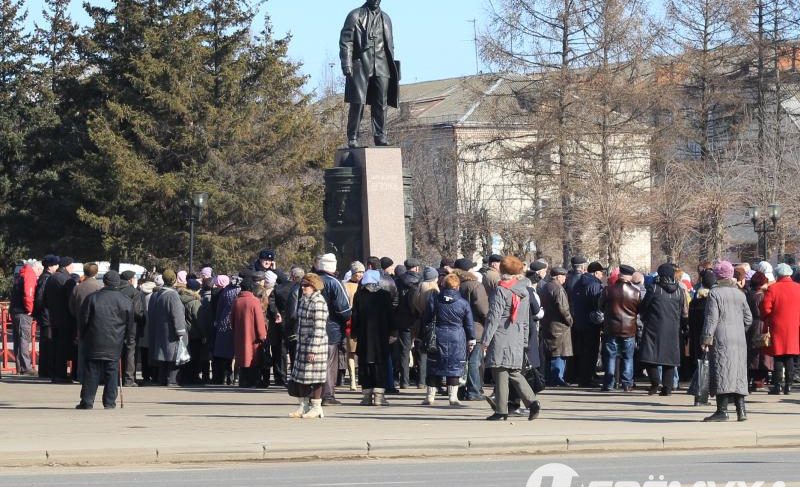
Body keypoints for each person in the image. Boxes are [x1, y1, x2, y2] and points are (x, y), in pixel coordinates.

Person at [482, 256, 540, 421]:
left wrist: (486, 340)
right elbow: (525, 319)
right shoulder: (524, 291)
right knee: (514, 372)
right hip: (517, 335)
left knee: (499, 370)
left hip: (501, 335)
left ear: (502, 271)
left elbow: (494, 317)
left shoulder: (501, 290)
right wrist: (524, 341)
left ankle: (501, 410)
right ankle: (532, 402)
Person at [339, 0, 400, 148]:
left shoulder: (386, 18)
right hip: (361, 64)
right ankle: (353, 137)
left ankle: (380, 136)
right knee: (357, 102)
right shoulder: (355, 15)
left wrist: (393, 67)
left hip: (382, 64)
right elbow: (346, 41)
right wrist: (346, 63)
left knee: (381, 102)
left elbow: (390, 45)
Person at [76, 271, 135, 410]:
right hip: (115, 341)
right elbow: (130, 324)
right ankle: (109, 402)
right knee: (112, 371)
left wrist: (82, 336)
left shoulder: (92, 298)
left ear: (105, 282)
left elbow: (83, 320)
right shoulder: (126, 301)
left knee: (92, 371)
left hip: (94, 340)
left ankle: (87, 401)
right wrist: (127, 340)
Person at [702, 261, 753, 422]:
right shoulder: (740, 293)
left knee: (722, 370)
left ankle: (722, 410)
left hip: (721, 338)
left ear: (717, 275)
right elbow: (748, 318)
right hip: (739, 339)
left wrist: (706, 338)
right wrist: (739, 329)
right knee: (738, 374)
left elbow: (711, 319)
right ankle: (741, 411)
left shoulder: (714, 293)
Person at [420, 273, 475, 407]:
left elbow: (426, 318)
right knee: (454, 366)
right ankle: (453, 398)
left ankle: (430, 397)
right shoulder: (463, 303)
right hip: (457, 336)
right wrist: (471, 339)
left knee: (434, 365)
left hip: (438, 335)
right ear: (457, 287)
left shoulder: (435, 299)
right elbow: (469, 324)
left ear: (443, 284)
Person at [639, 263, 688, 396]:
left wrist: (644, 316)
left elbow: (644, 306)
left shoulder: (654, 289)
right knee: (669, 359)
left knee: (649, 356)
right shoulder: (679, 290)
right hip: (673, 327)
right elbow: (682, 310)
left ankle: (655, 383)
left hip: (653, 326)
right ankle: (667, 387)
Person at [288, 274, 330, 419]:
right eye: (302, 285)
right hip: (302, 344)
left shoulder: (319, 302)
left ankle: (316, 407)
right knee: (301, 376)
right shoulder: (304, 300)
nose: (303, 287)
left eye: (306, 285)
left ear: (314, 286)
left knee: (316, 377)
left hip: (315, 345)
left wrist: (313, 349)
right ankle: (303, 405)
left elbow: (319, 327)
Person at [351, 270, 395, 406]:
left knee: (365, 364)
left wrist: (354, 333)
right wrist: (393, 332)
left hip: (364, 336)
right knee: (380, 364)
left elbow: (355, 316)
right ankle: (379, 396)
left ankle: (366, 396)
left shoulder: (359, 295)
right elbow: (390, 316)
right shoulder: (385, 295)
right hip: (381, 336)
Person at [315, 254, 352, 406]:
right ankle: (328, 395)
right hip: (332, 330)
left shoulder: (311, 281)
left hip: (313, 329)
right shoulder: (335, 283)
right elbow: (344, 309)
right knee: (330, 363)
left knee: (316, 363)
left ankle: (314, 394)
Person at [598, 264, 640, 392]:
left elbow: (600, 306)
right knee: (628, 357)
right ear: (630, 276)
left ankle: (609, 383)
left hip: (611, 328)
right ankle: (627, 384)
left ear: (620, 274)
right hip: (629, 328)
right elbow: (639, 310)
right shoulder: (635, 292)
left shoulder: (608, 290)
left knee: (610, 356)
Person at [452, 258, 490, 401]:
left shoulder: (452, 284)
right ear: (468, 270)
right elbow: (483, 309)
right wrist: (489, 323)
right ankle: (474, 390)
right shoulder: (475, 286)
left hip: (457, 327)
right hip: (475, 327)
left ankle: (460, 390)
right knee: (475, 360)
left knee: (461, 359)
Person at [761, 263, 800, 396]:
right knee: (789, 356)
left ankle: (777, 386)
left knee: (778, 356)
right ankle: (788, 386)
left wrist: (767, 318)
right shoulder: (798, 288)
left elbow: (766, 308)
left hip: (777, 326)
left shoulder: (773, 288)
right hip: (795, 325)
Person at [147, 269, 188, 387]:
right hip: (171, 331)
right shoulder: (172, 295)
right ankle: (172, 380)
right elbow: (177, 314)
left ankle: (162, 379)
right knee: (174, 355)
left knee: (163, 356)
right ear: (174, 280)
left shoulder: (157, 293)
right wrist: (180, 331)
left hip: (160, 329)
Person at [44, 256, 79, 383]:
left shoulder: (52, 278)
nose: (73, 268)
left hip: (54, 317)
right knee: (65, 348)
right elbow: (72, 300)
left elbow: (45, 300)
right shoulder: (67, 280)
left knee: (57, 347)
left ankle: (57, 373)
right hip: (67, 319)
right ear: (68, 266)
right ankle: (63, 375)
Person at [570, 261, 605, 388]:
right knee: (591, 352)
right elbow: (598, 304)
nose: (602, 276)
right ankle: (587, 378)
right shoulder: (594, 284)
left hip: (579, 321)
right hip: (591, 323)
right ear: (596, 272)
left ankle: (583, 377)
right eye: (601, 273)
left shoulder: (578, 283)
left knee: (582, 351)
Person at [70, 263, 104, 382]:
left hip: (80, 321)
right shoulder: (100, 287)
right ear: (96, 272)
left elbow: (71, 306)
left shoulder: (78, 287)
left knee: (82, 350)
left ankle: (81, 375)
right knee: (96, 351)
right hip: (97, 322)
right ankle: (95, 376)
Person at [540, 266, 574, 386]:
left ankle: (549, 379)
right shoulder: (558, 289)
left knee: (550, 353)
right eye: (564, 276)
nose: (565, 279)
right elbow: (563, 308)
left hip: (548, 324)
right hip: (560, 326)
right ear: (559, 276)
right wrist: (570, 321)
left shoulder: (545, 287)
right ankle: (557, 379)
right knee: (559, 353)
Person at [232, 277, 268, 389]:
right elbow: (259, 320)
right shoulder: (254, 301)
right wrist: (262, 335)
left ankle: (243, 381)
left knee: (242, 359)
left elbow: (231, 320)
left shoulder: (236, 301)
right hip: (253, 337)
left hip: (239, 335)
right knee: (253, 359)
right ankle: (253, 381)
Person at [10, 260, 42, 376]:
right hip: (23, 312)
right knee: (24, 339)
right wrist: (30, 309)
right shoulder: (30, 275)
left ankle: (20, 367)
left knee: (18, 340)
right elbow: (28, 294)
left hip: (15, 310)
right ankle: (26, 367)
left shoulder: (21, 274)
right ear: (37, 268)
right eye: (40, 271)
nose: (39, 274)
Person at [394, 258, 422, 389]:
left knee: (404, 351)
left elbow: (394, 300)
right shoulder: (421, 281)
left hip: (402, 320)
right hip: (418, 319)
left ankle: (404, 381)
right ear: (416, 268)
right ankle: (421, 381)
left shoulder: (398, 281)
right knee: (421, 350)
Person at [412, 267, 440, 388]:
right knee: (432, 353)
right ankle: (432, 381)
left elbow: (414, 305)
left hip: (419, 323)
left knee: (421, 353)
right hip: (432, 324)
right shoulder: (434, 290)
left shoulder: (419, 288)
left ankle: (421, 381)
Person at [34, 255, 60, 378]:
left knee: (46, 343)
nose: (57, 267)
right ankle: (47, 371)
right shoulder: (46, 278)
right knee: (47, 344)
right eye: (55, 264)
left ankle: (45, 370)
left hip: (45, 314)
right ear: (50, 266)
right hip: (47, 315)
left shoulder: (45, 277)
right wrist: (45, 309)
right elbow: (40, 298)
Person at [746, 272, 772, 391]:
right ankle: (759, 380)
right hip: (761, 324)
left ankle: (752, 378)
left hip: (750, 325)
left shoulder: (748, 294)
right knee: (761, 353)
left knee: (752, 352)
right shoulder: (762, 295)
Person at [212, 277, 241, 385]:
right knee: (237, 352)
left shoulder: (226, 291)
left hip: (224, 323)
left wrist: (217, 320)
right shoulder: (241, 291)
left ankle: (225, 376)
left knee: (224, 353)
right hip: (237, 323)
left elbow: (219, 307)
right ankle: (236, 377)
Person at [343, 261, 365, 390]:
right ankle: (352, 380)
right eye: (358, 272)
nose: (360, 274)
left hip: (363, 321)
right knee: (351, 351)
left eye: (362, 272)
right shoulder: (345, 286)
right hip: (350, 321)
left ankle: (361, 378)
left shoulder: (366, 285)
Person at [136, 277, 159, 384]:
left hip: (143, 325)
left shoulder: (140, 293)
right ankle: (154, 374)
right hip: (153, 324)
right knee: (153, 352)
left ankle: (145, 374)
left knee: (144, 352)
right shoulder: (155, 293)